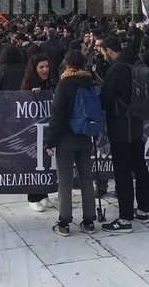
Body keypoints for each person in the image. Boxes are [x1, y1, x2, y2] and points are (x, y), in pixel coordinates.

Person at [98, 35, 149, 233]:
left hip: (121, 126)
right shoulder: (135, 62)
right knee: (140, 166)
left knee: (122, 172)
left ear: (110, 50)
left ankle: (125, 218)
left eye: (104, 53)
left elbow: (105, 98)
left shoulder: (117, 69)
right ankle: (143, 209)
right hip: (136, 124)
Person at [44, 50, 98, 236]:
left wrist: (50, 141)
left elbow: (57, 116)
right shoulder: (89, 81)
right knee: (86, 178)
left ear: (67, 64)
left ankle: (64, 222)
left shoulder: (65, 84)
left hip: (66, 137)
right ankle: (89, 220)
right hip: (85, 135)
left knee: (65, 181)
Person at [22, 54, 56, 212]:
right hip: (34, 131)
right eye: (41, 67)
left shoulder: (49, 82)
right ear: (35, 69)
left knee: (46, 163)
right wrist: (32, 95)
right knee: (34, 163)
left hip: (47, 129)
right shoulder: (29, 84)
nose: (45, 69)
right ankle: (32, 197)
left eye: (47, 66)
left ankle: (43, 194)